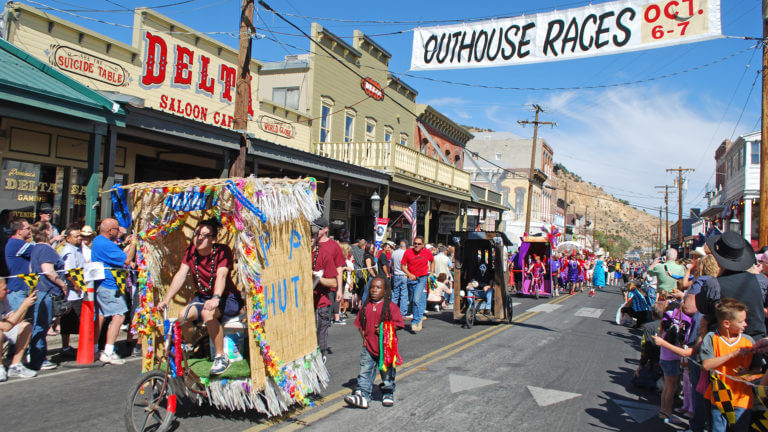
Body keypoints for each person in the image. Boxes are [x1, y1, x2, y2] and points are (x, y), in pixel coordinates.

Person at [158, 219, 243, 375]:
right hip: (203, 298)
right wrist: (167, 299)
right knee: (182, 316)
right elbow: (180, 275)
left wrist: (216, 298)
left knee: (208, 313)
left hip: (227, 298)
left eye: (204, 235)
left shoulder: (222, 251)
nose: (199, 238)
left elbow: (222, 275)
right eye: (196, 234)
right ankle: (192, 345)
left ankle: (220, 356)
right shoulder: (191, 251)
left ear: (213, 239)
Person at [700, 298, 767, 431]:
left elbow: (757, 370)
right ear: (726, 323)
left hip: (742, 399)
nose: (745, 325)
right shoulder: (712, 338)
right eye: (741, 321)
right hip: (719, 396)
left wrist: (746, 374)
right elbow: (706, 365)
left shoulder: (749, 341)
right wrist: (732, 354)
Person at [344, 277, 404, 408]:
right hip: (369, 346)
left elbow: (399, 324)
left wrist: (385, 327)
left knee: (386, 371)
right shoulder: (365, 306)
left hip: (386, 347)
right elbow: (360, 324)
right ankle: (363, 395)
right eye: (372, 287)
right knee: (365, 370)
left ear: (385, 291)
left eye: (378, 288)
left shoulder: (391, 307)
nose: (374, 290)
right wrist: (364, 338)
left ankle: (387, 392)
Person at [697, 231, 766, 339]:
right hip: (756, 342)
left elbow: (703, 308)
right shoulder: (760, 280)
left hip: (725, 345)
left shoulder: (713, 284)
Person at [91, 218, 137, 365]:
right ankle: (108, 351)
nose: (119, 231)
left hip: (102, 284)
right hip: (108, 285)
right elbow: (127, 259)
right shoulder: (104, 243)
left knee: (102, 316)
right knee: (118, 316)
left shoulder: (99, 241)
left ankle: (95, 348)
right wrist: (134, 243)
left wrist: (125, 245)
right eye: (117, 229)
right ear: (110, 231)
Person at [29, 221, 67, 370]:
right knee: (41, 325)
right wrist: (62, 284)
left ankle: (37, 356)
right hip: (45, 292)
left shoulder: (36, 248)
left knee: (41, 324)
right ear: (45, 232)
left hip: (42, 290)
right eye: (50, 229)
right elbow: (48, 271)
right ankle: (38, 358)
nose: (52, 231)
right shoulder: (45, 249)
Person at [309, 217, 344, 357]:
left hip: (322, 299)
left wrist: (339, 289)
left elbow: (338, 271)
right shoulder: (299, 252)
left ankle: (320, 359)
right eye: (309, 235)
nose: (310, 238)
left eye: (313, 235)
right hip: (303, 301)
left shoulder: (329, 249)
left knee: (319, 333)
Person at [0, 278, 37, 380]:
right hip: (3, 329)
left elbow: (17, 319)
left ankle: (15, 366)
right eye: (4, 289)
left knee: (26, 326)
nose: (7, 291)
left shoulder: (3, 300)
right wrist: (24, 305)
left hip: (5, 329)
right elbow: (6, 327)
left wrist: (26, 305)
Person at [59, 226, 86, 357]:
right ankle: (65, 347)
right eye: (76, 236)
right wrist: (76, 286)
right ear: (68, 238)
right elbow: (68, 272)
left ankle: (75, 346)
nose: (79, 238)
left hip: (79, 291)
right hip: (73, 293)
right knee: (70, 320)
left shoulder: (78, 249)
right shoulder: (69, 252)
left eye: (80, 235)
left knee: (75, 321)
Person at [401, 236, 434, 333]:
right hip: (412, 279)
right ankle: (419, 318)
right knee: (414, 300)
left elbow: (432, 261)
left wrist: (431, 272)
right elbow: (403, 265)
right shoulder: (408, 252)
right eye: (415, 243)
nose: (416, 245)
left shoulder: (427, 252)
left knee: (416, 299)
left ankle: (415, 321)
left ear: (423, 245)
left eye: (419, 243)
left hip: (422, 278)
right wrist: (409, 274)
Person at [5, 219, 32, 312]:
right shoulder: (16, 243)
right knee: (19, 323)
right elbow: (40, 252)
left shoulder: (18, 243)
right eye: (28, 228)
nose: (30, 230)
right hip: (17, 291)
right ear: (19, 231)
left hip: (23, 289)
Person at [390, 240, 408, 317]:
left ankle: (392, 310)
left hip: (396, 274)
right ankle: (402, 312)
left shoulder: (394, 252)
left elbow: (392, 264)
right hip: (404, 274)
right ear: (405, 246)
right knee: (404, 294)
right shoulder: (406, 253)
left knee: (395, 293)